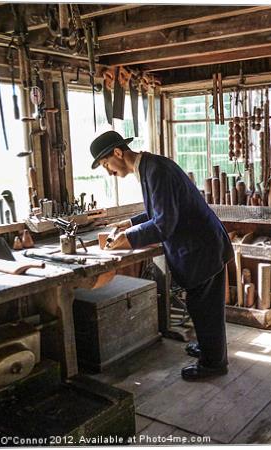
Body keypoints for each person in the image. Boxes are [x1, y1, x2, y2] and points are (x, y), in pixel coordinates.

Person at [89, 130, 234, 381]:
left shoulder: (156, 171)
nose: (108, 171)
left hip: (202, 247)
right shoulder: (149, 167)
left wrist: (130, 239)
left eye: (106, 164)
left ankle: (214, 364)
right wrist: (131, 223)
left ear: (117, 153)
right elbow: (163, 208)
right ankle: (211, 347)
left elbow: (164, 223)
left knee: (205, 307)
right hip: (202, 245)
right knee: (201, 305)